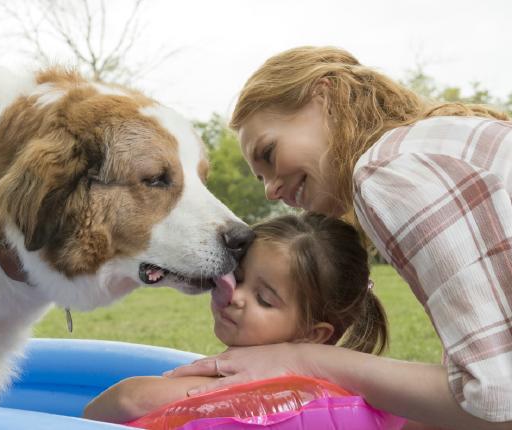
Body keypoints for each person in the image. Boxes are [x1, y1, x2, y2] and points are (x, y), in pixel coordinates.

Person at [165, 46, 512, 430]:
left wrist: (303, 359)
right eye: (260, 178)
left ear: (324, 97)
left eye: (269, 151)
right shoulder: (427, 144)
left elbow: (492, 403)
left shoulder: (389, 171)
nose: (271, 191)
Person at [83, 213, 388, 424]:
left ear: (313, 335)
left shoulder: (286, 391)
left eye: (264, 299)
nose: (237, 296)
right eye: (238, 277)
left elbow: (128, 400)